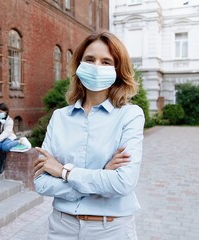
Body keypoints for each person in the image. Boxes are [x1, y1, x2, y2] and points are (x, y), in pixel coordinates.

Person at [33, 31, 145, 239]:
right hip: (61, 227)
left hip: (110, 229)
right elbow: (41, 182)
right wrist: (101, 173)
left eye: (106, 62)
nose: (96, 67)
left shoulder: (130, 115)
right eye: (90, 59)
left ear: (118, 70)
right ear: (78, 65)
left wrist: (64, 172)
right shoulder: (60, 117)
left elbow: (122, 183)